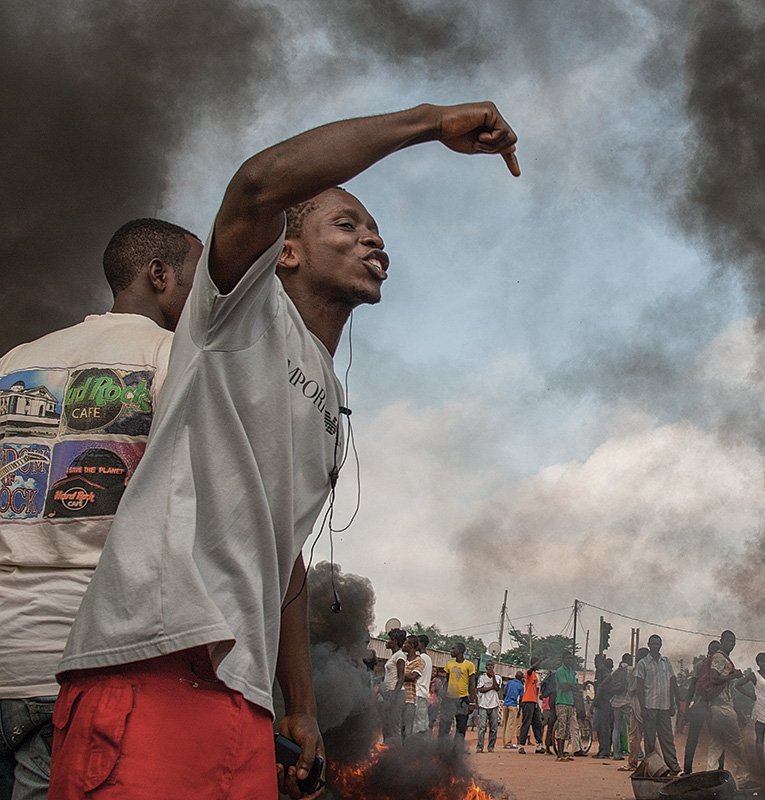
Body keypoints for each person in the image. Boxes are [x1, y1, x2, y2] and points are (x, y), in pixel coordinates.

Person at [51, 102, 519, 800]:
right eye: (348, 225)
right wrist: (430, 124)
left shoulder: (328, 395)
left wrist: (299, 702)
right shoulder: (238, 312)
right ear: (287, 251)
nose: (373, 240)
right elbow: (256, 185)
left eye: (376, 231)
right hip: (150, 668)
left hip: (242, 697)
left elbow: (284, 553)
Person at [0, 219, 200, 800]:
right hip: (82, 672)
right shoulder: (173, 358)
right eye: (197, 278)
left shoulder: (16, 361)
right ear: (159, 275)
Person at [706, 631, 748, 782]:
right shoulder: (719, 657)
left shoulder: (723, 658)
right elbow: (713, 678)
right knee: (736, 742)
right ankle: (743, 778)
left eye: (734, 641)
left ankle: (709, 774)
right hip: (723, 706)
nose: (732, 643)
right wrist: (733, 675)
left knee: (716, 743)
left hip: (718, 706)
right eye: (729, 640)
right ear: (722, 640)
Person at [635, 634, 681, 773]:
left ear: (661, 645)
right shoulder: (642, 663)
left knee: (667, 739)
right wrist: (643, 708)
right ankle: (653, 769)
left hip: (664, 707)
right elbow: (640, 688)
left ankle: (674, 767)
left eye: (658, 644)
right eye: (653, 644)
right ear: (649, 644)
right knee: (649, 741)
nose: (656, 646)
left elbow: (672, 683)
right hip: (650, 707)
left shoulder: (666, 662)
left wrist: (673, 704)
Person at [684, 640, 721, 774]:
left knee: (714, 739)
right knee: (697, 738)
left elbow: (692, 686)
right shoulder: (702, 665)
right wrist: (687, 706)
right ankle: (688, 769)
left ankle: (689, 769)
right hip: (704, 705)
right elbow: (693, 685)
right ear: (709, 651)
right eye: (714, 650)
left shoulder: (705, 665)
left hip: (707, 706)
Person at [440, 642, 477, 741]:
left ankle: (457, 750)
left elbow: (472, 684)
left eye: (453, 649)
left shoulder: (469, 665)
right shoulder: (449, 664)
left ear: (460, 651)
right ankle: (443, 747)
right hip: (449, 698)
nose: (451, 651)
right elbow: (446, 681)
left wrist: (472, 702)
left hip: (462, 699)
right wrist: (442, 697)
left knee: (461, 727)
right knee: (445, 725)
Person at [381, 628, 407, 742]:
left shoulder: (400, 656)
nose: (387, 641)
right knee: (387, 727)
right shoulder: (394, 656)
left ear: (395, 641)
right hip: (390, 694)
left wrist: (392, 699)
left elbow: (401, 678)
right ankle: (387, 754)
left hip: (396, 695)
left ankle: (396, 756)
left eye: (389, 639)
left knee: (394, 727)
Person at [554, 651, 580, 762]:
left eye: (571, 658)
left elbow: (574, 686)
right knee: (562, 727)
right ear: (564, 659)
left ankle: (562, 753)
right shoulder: (560, 671)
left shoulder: (571, 672)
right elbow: (564, 686)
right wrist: (573, 686)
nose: (570, 660)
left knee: (567, 729)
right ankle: (559, 754)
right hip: (561, 702)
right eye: (568, 658)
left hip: (570, 702)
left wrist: (572, 686)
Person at [607, 654, 634, 761]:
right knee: (632, 728)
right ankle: (638, 752)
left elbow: (609, 684)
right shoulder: (631, 670)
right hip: (627, 702)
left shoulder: (615, 671)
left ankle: (616, 754)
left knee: (616, 728)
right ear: (629, 660)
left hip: (615, 702)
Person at [517, 660, 545, 754]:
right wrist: (539, 661)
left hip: (534, 702)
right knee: (526, 723)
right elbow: (530, 669)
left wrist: (537, 703)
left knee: (538, 723)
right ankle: (521, 745)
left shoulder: (536, 675)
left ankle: (539, 745)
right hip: (527, 701)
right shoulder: (529, 673)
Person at [400, 635, 424, 740]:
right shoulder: (401, 658)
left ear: (412, 645)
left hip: (409, 700)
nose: (403, 645)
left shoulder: (419, 661)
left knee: (407, 730)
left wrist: (398, 674)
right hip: (398, 698)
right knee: (397, 729)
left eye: (406, 643)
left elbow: (413, 677)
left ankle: (405, 754)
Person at [475, 661, 501, 752]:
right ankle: (480, 747)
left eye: (491, 666)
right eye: (488, 665)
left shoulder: (498, 677)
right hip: (483, 704)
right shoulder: (482, 677)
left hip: (494, 704)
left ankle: (491, 747)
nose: (490, 667)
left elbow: (497, 688)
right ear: (486, 667)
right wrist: (491, 688)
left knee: (494, 728)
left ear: (494, 667)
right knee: (482, 727)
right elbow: (480, 689)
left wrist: (493, 676)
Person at [591, 655, 614, 759]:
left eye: (596, 661)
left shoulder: (600, 670)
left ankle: (604, 751)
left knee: (603, 728)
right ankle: (603, 750)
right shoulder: (604, 671)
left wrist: (594, 703)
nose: (595, 663)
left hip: (603, 703)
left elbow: (600, 688)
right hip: (605, 703)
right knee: (604, 728)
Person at [413, 634, 434, 735]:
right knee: (422, 725)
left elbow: (414, 676)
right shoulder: (428, 659)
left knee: (417, 727)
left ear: (421, 644)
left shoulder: (421, 658)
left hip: (418, 694)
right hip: (424, 695)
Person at [501, 671, 524, 749]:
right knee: (510, 725)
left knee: (505, 723)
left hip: (505, 704)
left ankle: (504, 742)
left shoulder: (509, 683)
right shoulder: (521, 686)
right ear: (521, 678)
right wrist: (520, 709)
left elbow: (504, 692)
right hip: (513, 705)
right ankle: (508, 743)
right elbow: (521, 699)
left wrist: (505, 700)